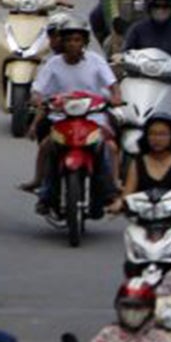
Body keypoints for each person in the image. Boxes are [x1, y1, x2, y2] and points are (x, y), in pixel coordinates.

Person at [30, 14, 120, 213]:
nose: (73, 44)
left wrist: (115, 98)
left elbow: (113, 85)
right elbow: (38, 90)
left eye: (77, 40)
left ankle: (110, 189)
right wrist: (39, 100)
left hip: (93, 116)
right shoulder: (53, 64)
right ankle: (44, 189)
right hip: (61, 116)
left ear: (85, 42)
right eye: (68, 39)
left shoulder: (96, 61)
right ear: (61, 41)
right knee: (48, 146)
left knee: (109, 147)